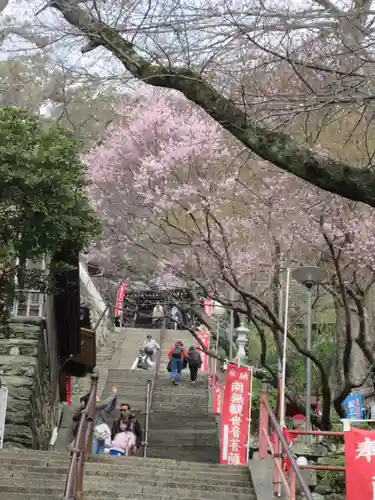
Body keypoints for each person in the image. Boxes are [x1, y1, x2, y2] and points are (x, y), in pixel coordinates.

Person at [71, 385, 117, 455]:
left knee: (100, 454)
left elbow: (111, 407)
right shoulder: (93, 407)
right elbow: (105, 404)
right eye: (96, 396)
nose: (98, 396)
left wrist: (115, 397)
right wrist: (113, 394)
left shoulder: (100, 408)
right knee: (93, 452)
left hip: (102, 434)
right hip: (94, 433)